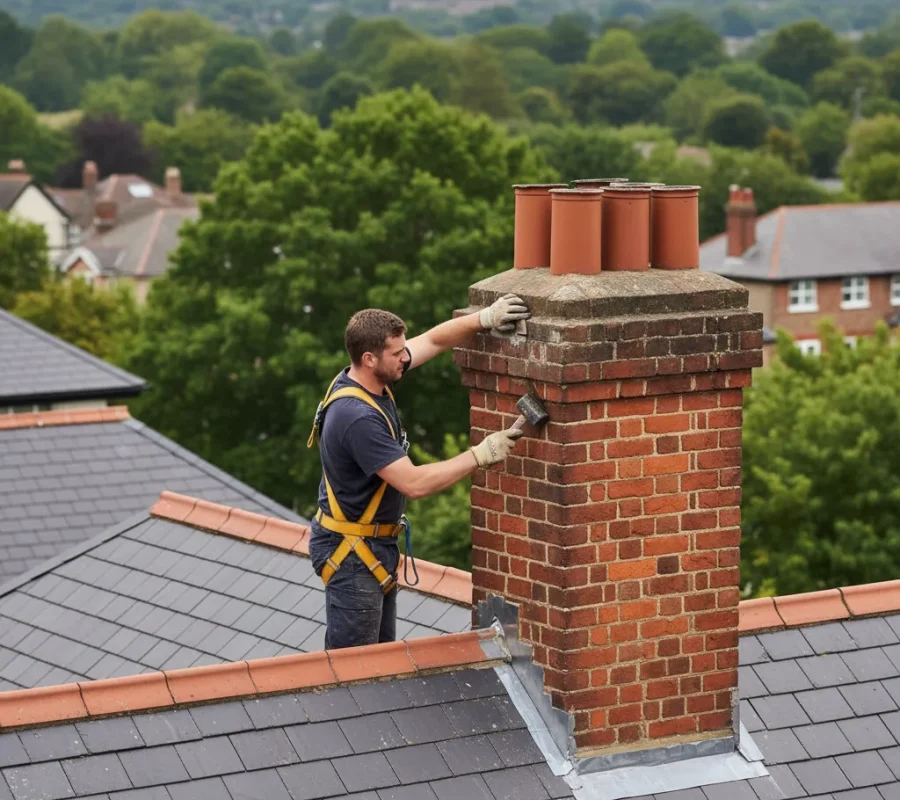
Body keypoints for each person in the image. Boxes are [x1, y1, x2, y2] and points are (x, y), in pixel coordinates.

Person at [307, 294, 531, 650]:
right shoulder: (357, 417)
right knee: (353, 672)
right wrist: (481, 454)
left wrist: (484, 318)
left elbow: (433, 340)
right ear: (369, 359)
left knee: (382, 659)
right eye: (396, 354)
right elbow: (414, 483)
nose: (404, 358)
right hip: (352, 554)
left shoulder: (367, 379)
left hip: (372, 546)